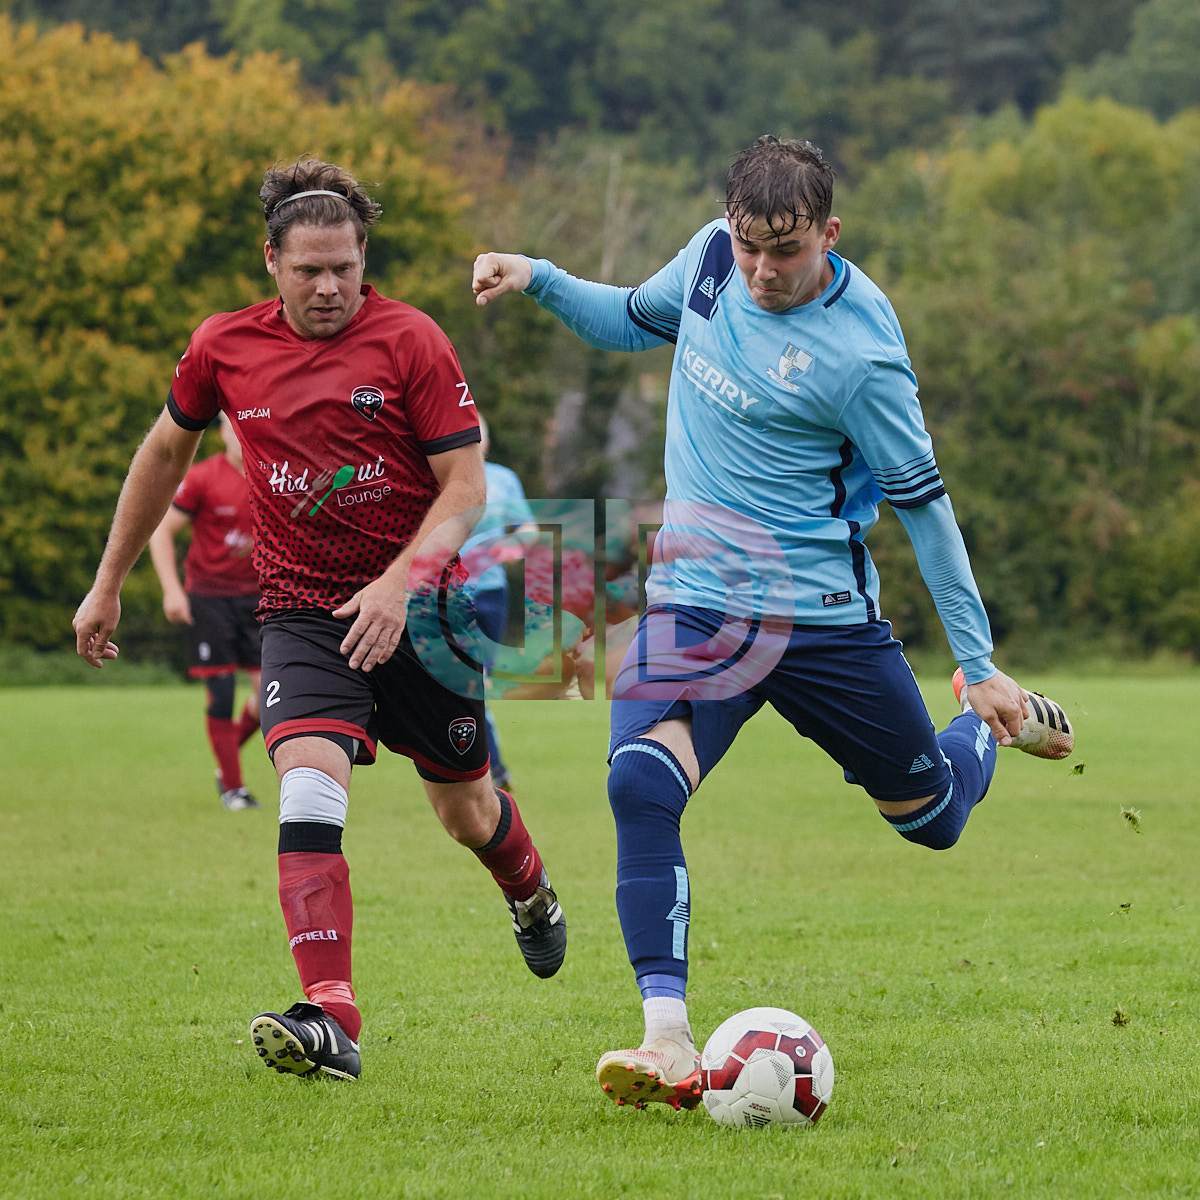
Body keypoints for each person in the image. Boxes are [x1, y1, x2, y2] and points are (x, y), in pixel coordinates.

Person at [472, 134, 1074, 1111]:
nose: (761, 269)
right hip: (697, 603)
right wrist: (536, 275)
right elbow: (629, 319)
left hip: (820, 624)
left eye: (785, 250)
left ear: (829, 234)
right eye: (750, 245)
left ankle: (977, 720)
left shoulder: (863, 355)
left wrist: (979, 658)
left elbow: (925, 507)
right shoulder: (711, 259)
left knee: (933, 822)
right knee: (639, 782)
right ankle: (667, 1041)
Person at [73, 157, 566, 1084]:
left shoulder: (412, 340)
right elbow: (163, 455)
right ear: (272, 262)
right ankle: (332, 1016)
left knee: (467, 811)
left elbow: (464, 487)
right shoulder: (223, 346)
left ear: (363, 256)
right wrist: (109, 582)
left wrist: (399, 583)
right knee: (307, 788)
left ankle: (529, 889)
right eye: (309, 270)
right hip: (302, 613)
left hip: (425, 612)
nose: (330, 285)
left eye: (344, 266)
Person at [148, 413, 262, 810]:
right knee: (222, 692)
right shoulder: (202, 478)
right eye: (233, 428)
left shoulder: (274, 477)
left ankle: (225, 761)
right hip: (210, 600)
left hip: (261, 599)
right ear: (223, 433)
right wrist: (172, 590)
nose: (241, 436)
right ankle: (233, 787)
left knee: (270, 698)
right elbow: (161, 531)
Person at [458, 416, 536, 792]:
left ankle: (487, 770)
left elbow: (527, 529)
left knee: (476, 685)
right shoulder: (443, 476)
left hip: (490, 594)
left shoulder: (503, 479)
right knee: (467, 684)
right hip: (445, 593)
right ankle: (489, 770)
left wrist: (508, 549)